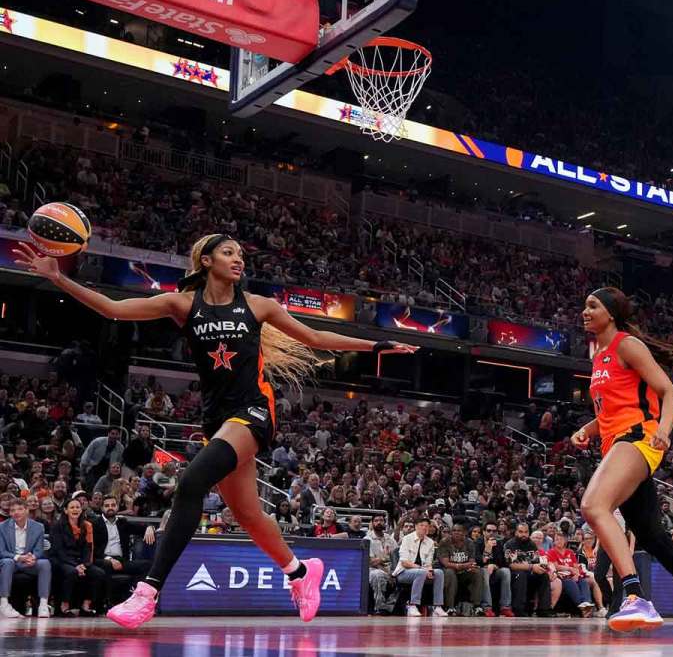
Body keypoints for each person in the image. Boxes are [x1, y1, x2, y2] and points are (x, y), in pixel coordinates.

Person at [13, 234, 417, 628]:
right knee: (248, 515)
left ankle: (147, 592)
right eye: (228, 252)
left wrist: (375, 346)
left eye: (240, 253)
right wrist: (59, 277)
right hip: (216, 421)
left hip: (253, 412)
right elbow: (113, 308)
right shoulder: (183, 304)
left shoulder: (258, 305)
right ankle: (300, 573)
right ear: (206, 261)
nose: (238, 259)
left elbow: (314, 337)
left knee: (191, 483)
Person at [571, 287, 673, 632]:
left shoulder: (627, 345)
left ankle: (635, 596)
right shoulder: (598, 355)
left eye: (592, 306)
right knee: (652, 537)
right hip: (617, 443)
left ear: (611, 314)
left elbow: (669, 393)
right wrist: (586, 430)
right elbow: (611, 412)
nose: (585, 311)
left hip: (638, 438)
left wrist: (663, 429)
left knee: (593, 506)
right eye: (584, 306)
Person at [50, 497, 105, 616]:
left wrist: (84, 565)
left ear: (81, 510)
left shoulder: (87, 526)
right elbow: (59, 550)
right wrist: (76, 565)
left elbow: (88, 549)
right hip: (63, 560)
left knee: (98, 573)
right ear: (66, 510)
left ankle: (86, 606)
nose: (75, 509)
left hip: (80, 561)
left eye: (77, 507)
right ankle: (64, 606)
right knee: (71, 572)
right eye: (72, 507)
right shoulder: (57, 526)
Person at [0, 499, 51, 618]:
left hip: (28, 561)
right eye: (13, 510)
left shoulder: (38, 527)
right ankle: (4, 604)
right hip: (12, 560)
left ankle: (43, 604)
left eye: (20, 509)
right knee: (7, 562)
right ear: (10, 513)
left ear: (27, 510)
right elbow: (2, 551)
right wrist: (19, 557)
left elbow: (39, 550)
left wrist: (33, 557)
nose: (16, 512)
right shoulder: (2, 527)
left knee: (45, 563)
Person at [394, 518, 447, 617]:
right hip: (404, 572)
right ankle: (412, 605)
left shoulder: (430, 542)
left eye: (426, 526)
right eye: (422, 525)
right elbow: (404, 562)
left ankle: (437, 606)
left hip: (422, 571)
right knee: (421, 572)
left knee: (439, 572)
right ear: (416, 527)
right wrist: (422, 569)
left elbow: (428, 562)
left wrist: (429, 570)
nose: (424, 528)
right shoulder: (407, 539)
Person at [438, 523, 485, 616]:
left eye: (459, 531)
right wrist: (461, 566)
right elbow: (446, 563)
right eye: (454, 530)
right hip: (448, 571)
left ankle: (477, 606)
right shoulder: (445, 542)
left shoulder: (469, 543)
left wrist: (465, 566)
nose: (456, 532)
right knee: (450, 572)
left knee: (477, 572)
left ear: (464, 532)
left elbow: (471, 562)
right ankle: (450, 607)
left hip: (463, 572)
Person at [546, 531, 594, 617]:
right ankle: (583, 607)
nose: (559, 541)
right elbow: (556, 566)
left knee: (583, 581)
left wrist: (576, 575)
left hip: (572, 574)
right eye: (557, 539)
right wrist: (569, 568)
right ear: (554, 541)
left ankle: (587, 603)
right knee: (570, 582)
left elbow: (576, 566)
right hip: (561, 576)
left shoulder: (570, 552)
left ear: (565, 541)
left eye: (561, 539)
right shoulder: (551, 552)